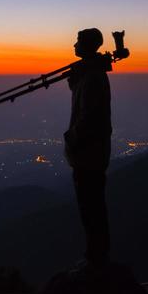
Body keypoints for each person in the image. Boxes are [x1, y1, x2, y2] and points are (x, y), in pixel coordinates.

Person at [64, 27, 112, 267]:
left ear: (87, 45)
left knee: (91, 206)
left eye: (78, 41)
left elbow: (89, 116)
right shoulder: (90, 75)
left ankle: (96, 256)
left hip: (89, 155)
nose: (74, 45)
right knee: (92, 205)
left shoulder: (93, 78)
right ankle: (96, 253)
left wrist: (71, 137)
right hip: (91, 153)